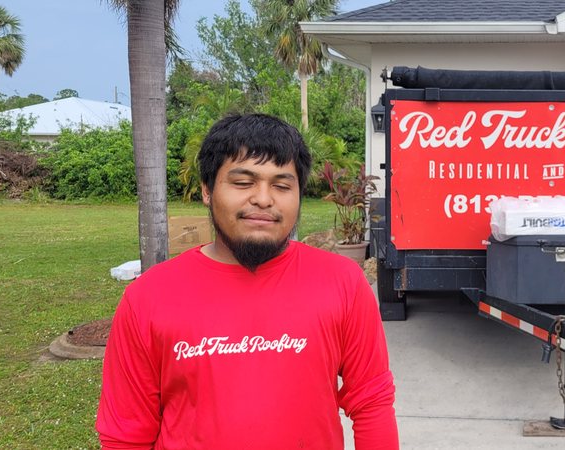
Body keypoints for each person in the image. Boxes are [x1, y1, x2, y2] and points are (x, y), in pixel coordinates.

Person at [96, 114, 398, 449]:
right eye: (243, 183)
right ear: (207, 191)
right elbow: (126, 434)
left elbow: (371, 403)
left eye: (282, 186)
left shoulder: (343, 282)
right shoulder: (148, 297)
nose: (264, 199)